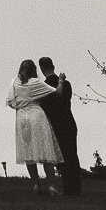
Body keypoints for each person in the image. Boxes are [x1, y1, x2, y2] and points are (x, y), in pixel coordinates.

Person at [8, 59, 62, 193]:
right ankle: (51, 186)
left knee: (28, 151)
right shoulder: (36, 83)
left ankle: (36, 184)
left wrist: (20, 105)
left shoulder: (14, 82)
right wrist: (61, 80)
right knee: (45, 151)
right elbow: (57, 92)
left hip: (22, 118)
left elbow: (10, 102)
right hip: (37, 116)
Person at [38, 57, 81, 196]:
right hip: (68, 123)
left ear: (41, 69)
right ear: (53, 66)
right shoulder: (66, 84)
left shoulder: (43, 87)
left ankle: (67, 187)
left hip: (54, 125)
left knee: (61, 159)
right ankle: (75, 187)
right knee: (72, 156)